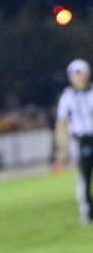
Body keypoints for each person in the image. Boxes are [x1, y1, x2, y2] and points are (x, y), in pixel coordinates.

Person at [55, 58, 93, 224]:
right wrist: (61, 147)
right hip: (81, 140)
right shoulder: (67, 97)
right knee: (84, 177)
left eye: (82, 73)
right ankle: (87, 212)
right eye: (76, 74)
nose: (79, 77)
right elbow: (61, 123)